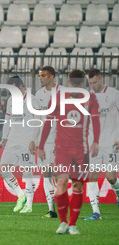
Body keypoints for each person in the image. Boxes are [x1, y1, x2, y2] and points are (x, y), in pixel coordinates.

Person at [38, 70, 100, 235]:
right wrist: (41, 145)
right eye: (74, 85)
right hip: (62, 149)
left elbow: (96, 121)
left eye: (78, 85)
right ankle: (63, 222)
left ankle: (72, 224)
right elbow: (48, 122)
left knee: (78, 185)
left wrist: (96, 141)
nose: (76, 88)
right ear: (69, 83)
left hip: (82, 150)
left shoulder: (91, 98)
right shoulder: (58, 97)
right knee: (62, 182)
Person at [84, 68, 119, 220]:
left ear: (100, 78)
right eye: (90, 83)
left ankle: (118, 193)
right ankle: (96, 212)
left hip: (111, 142)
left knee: (111, 178)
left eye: (95, 82)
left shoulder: (113, 94)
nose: (93, 86)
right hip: (94, 144)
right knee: (92, 175)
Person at [0, 76, 36, 213]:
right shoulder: (10, 100)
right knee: (3, 169)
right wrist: (4, 137)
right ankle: (21, 195)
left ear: (21, 86)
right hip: (12, 141)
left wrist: (34, 140)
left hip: (26, 141)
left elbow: (38, 121)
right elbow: (8, 119)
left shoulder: (32, 100)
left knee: (27, 174)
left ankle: (29, 206)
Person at [29, 66, 62, 218]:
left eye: (43, 75)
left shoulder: (64, 92)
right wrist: (32, 139)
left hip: (61, 139)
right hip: (45, 140)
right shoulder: (39, 94)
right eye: (39, 75)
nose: (40, 78)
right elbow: (37, 118)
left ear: (52, 76)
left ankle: (62, 203)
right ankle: (52, 210)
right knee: (46, 173)